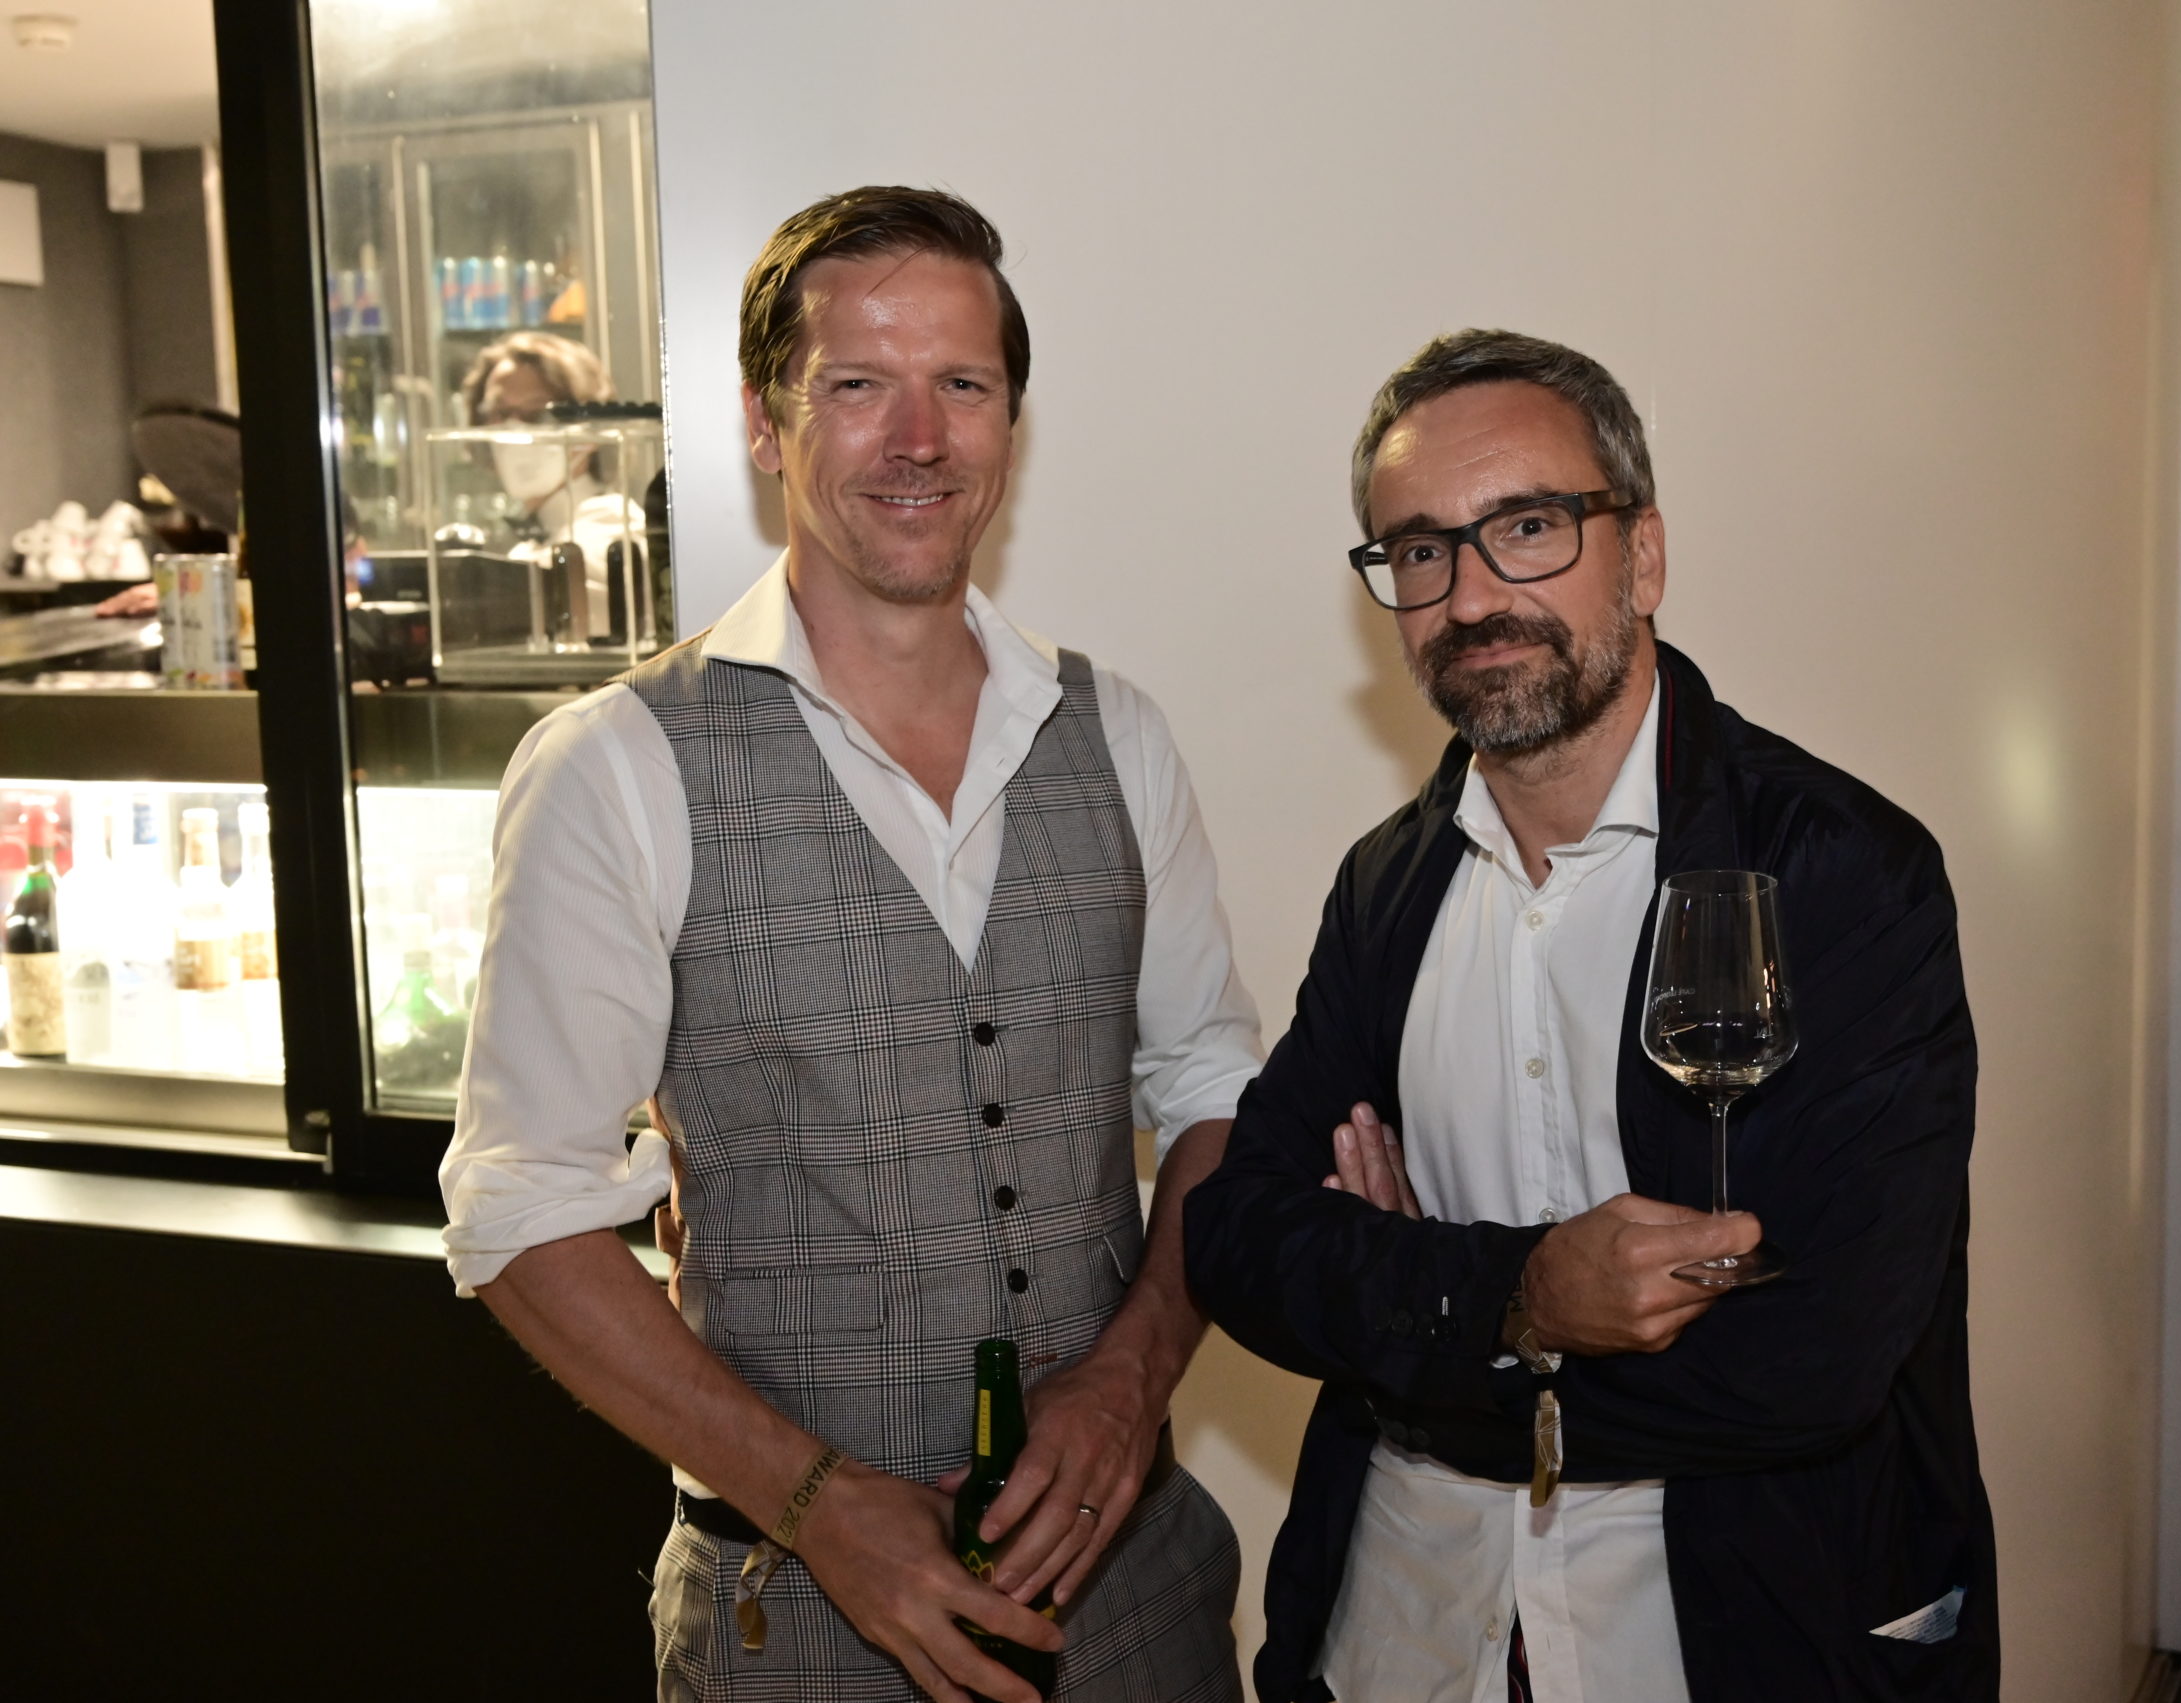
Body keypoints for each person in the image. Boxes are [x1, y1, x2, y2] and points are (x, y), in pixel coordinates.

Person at [439, 188, 1257, 1703]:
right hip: (797, 1631)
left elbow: (1216, 1089)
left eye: (965, 383)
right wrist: (815, 1498)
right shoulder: (615, 764)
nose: (920, 437)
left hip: (1137, 1605)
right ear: (767, 423)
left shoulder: (1118, 734)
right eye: (860, 383)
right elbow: (521, 1212)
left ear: (1011, 421)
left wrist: (1133, 1374)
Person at [1184, 330, 1997, 1701]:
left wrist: (1409, 1322)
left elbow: (1816, 1357)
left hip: (1729, 1639)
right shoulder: (1389, 887)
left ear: (1644, 555)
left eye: (1529, 526)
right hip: (1411, 1637)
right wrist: (1523, 1292)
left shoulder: (1838, 870)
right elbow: (1239, 1239)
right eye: (1422, 549)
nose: (1472, 594)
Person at [459, 328, 646, 639]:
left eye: (535, 413)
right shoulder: (532, 541)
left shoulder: (613, 527)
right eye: (499, 412)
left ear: (589, 432)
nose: (513, 428)